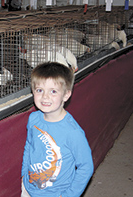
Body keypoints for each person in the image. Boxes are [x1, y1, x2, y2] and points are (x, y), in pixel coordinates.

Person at [21, 62, 93, 197]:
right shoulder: (33, 119)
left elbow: (86, 166)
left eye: (53, 91)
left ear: (66, 95)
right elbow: (29, 147)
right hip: (29, 188)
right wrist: (24, 175)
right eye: (39, 90)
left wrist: (69, 195)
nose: (45, 96)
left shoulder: (72, 132)